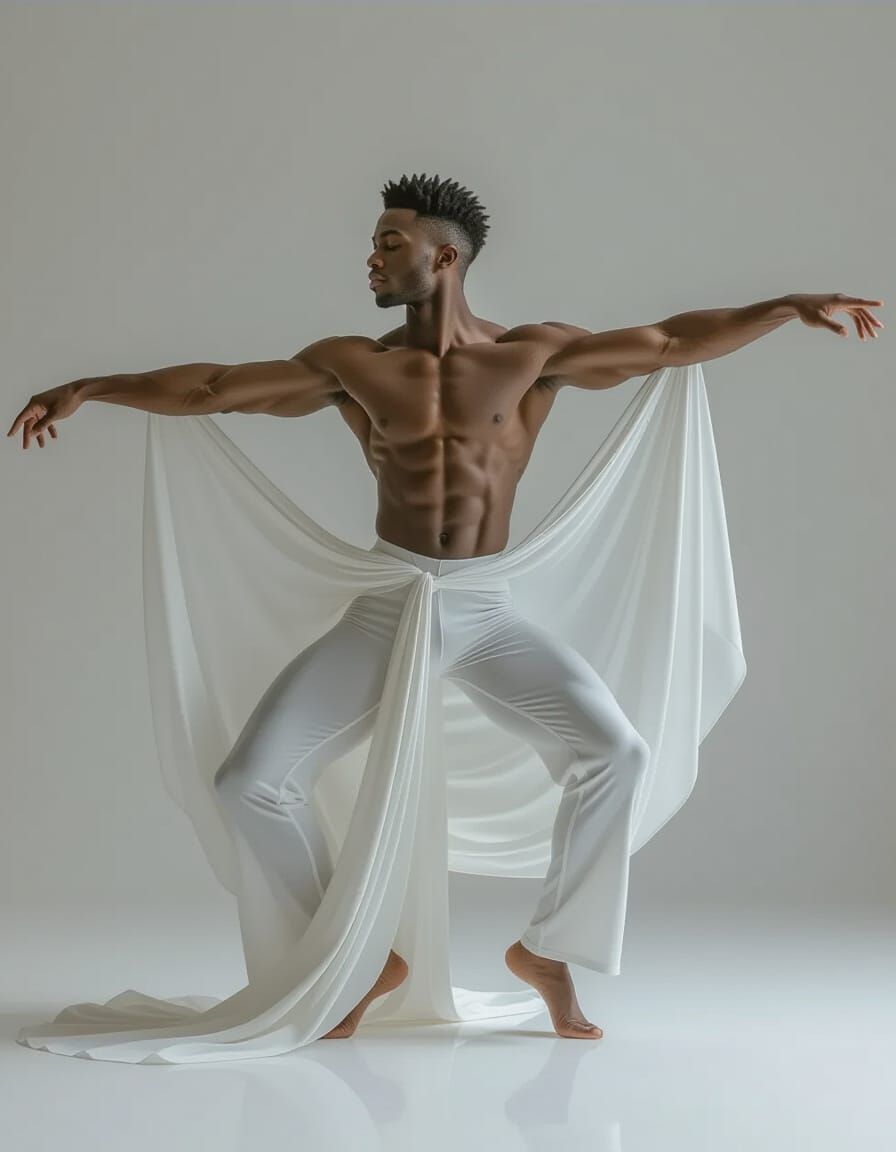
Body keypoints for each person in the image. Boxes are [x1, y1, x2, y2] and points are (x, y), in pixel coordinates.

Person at [8, 172, 884, 1046]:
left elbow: (667, 340)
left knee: (615, 751)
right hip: (391, 604)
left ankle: (548, 950)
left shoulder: (531, 353)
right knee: (251, 783)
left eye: (390, 243)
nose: (372, 257)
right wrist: (91, 385)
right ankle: (353, 953)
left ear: (445, 254)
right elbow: (214, 388)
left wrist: (785, 305)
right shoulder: (355, 364)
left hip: (486, 611)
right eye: (375, 243)